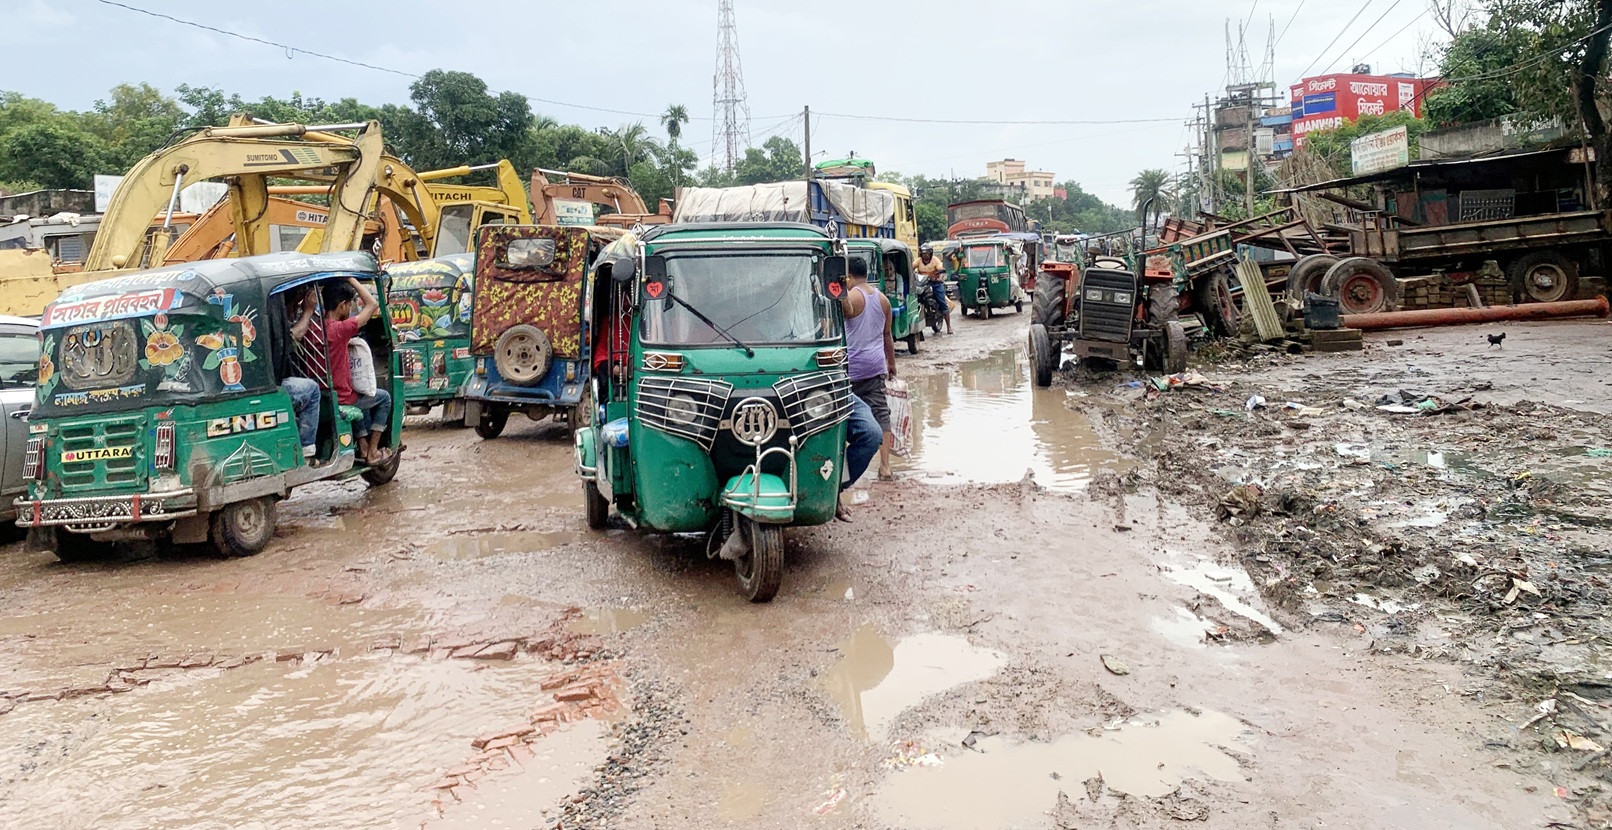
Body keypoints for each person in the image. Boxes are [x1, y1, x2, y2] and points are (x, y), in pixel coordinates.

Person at [322, 278, 392, 466]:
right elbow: (372, 304)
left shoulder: (315, 327)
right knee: (384, 398)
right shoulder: (340, 329)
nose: (350, 309)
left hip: (326, 395)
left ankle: (362, 446)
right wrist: (351, 279)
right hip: (342, 399)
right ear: (341, 305)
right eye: (349, 305)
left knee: (358, 393)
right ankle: (373, 452)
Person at [840, 256, 896, 483]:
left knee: (845, 418)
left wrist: (838, 290)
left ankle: (843, 470)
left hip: (851, 369)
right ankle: (885, 467)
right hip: (875, 366)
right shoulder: (883, 300)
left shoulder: (851, 296)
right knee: (881, 413)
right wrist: (891, 364)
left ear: (848, 276)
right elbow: (887, 335)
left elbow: (844, 314)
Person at [281, 286, 322, 461]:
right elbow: (294, 335)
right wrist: (309, 310)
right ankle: (306, 449)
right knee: (312, 389)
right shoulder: (276, 318)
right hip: (276, 386)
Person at [914, 244, 951, 335]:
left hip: (935, 283)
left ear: (930, 254)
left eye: (927, 254)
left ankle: (949, 327)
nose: (925, 256)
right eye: (923, 254)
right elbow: (911, 267)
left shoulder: (935, 260)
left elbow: (941, 269)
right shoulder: (918, 261)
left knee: (942, 302)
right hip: (922, 283)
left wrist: (939, 278)